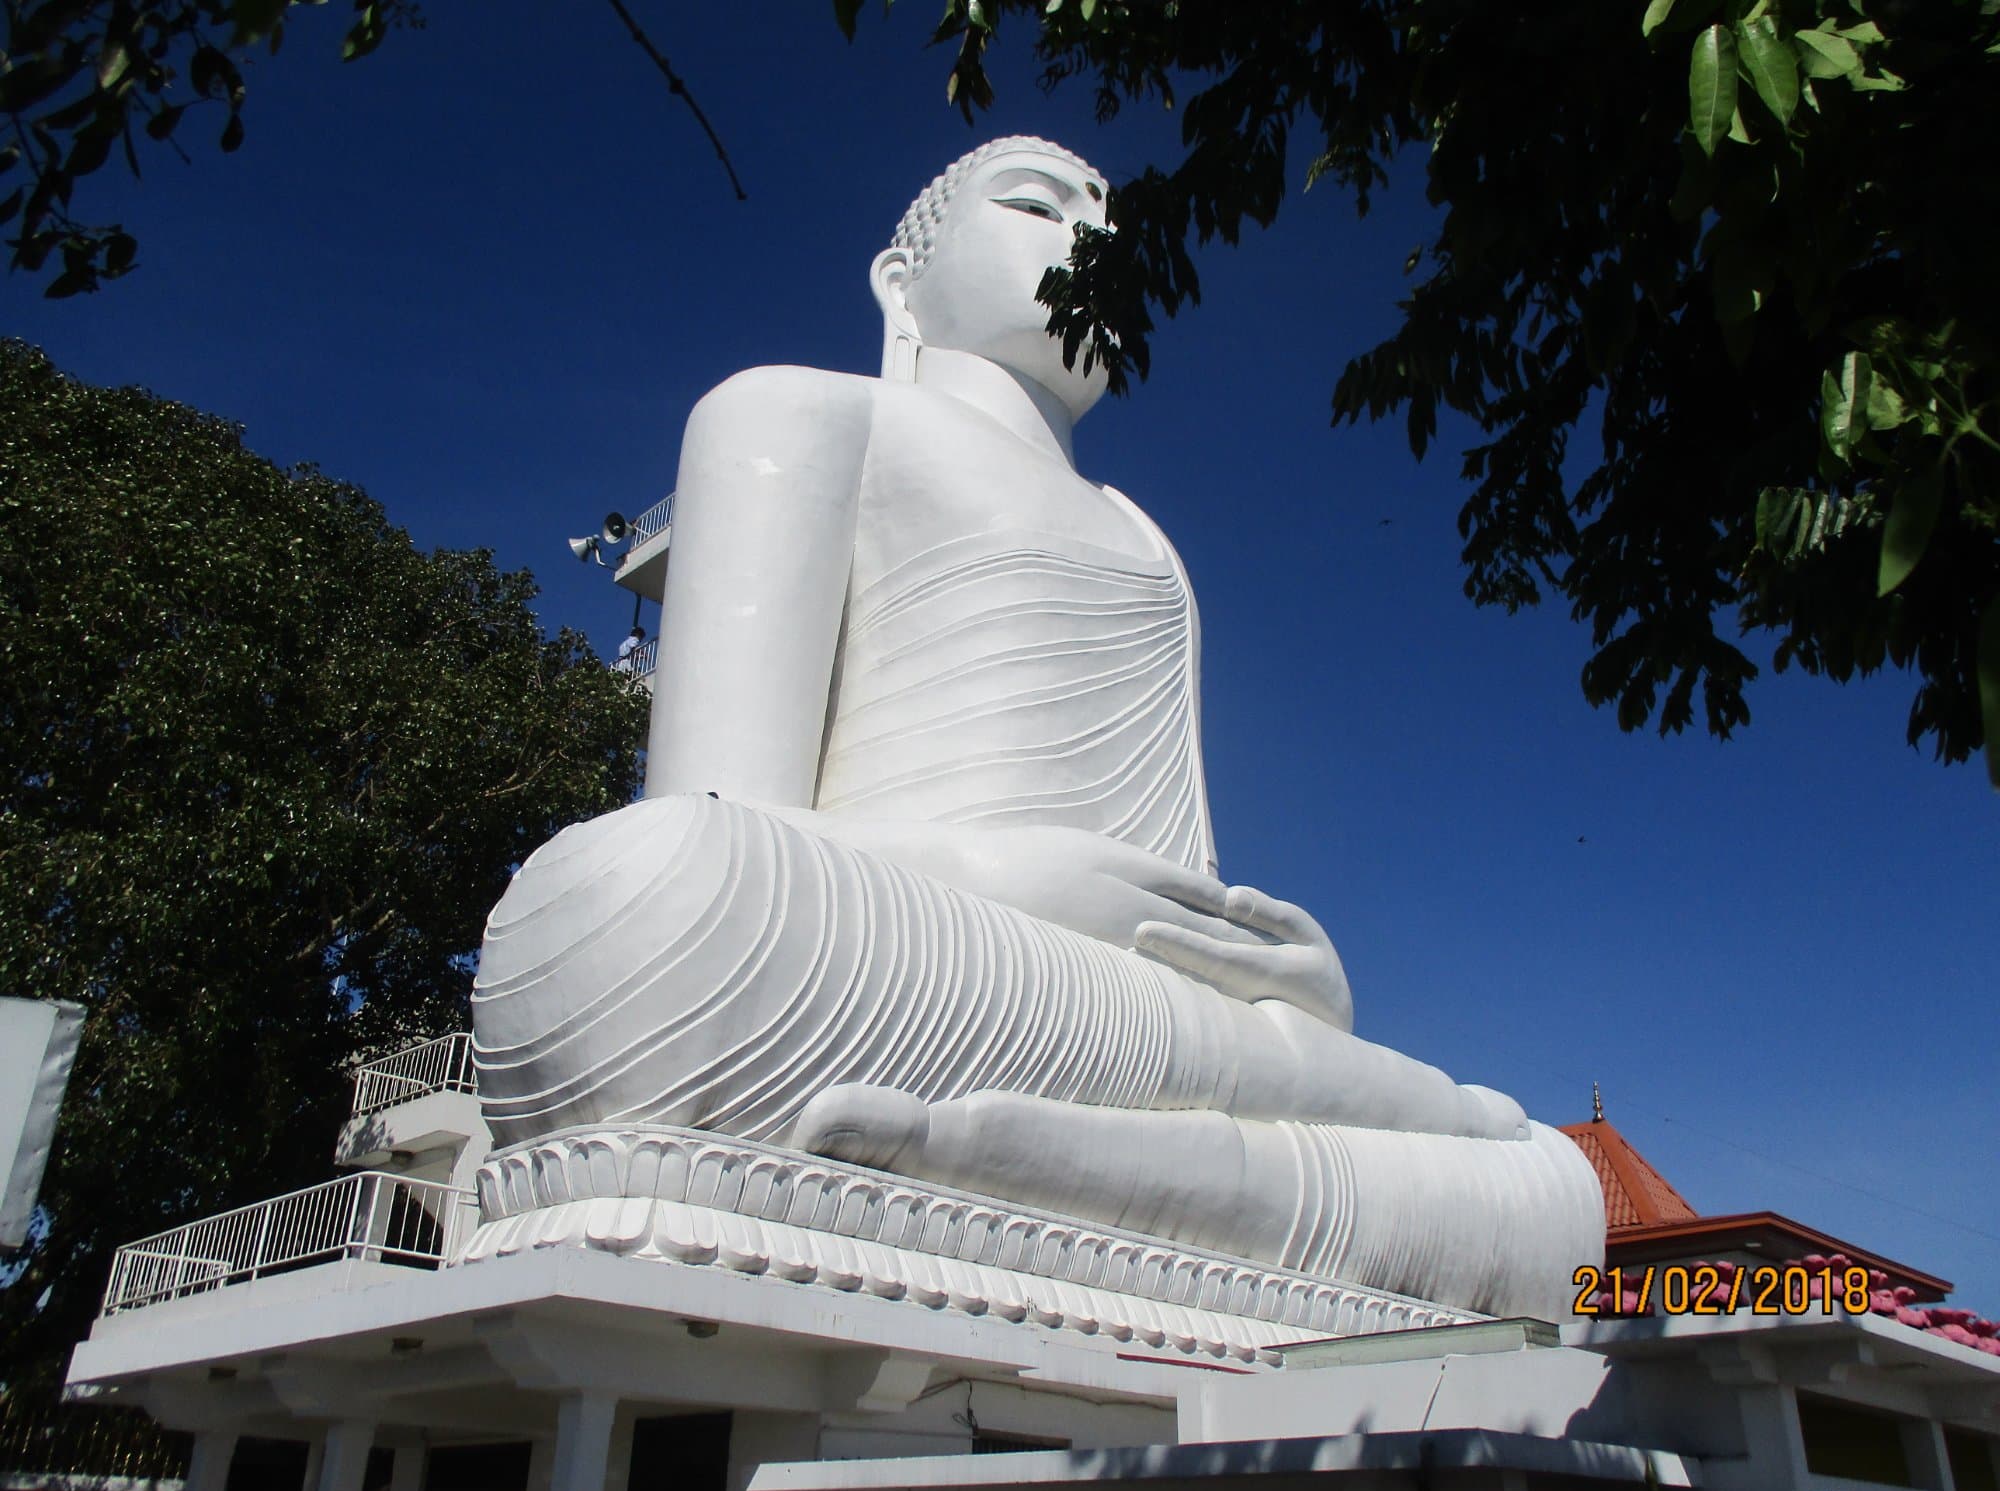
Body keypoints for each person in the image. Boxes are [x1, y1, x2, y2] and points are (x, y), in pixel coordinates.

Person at [470, 138, 1600, 1317]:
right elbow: (708, 818)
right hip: (918, 957)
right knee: (641, 900)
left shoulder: (1146, 539)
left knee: (1549, 1187)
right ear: (898, 287)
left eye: (1107, 221)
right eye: (1037, 205)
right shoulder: (798, 414)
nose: (1089, 243)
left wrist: (1297, 982)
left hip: (1123, 1012)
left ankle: (1024, 1150)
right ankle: (1225, 1170)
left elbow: (1183, 902)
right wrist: (1009, 875)